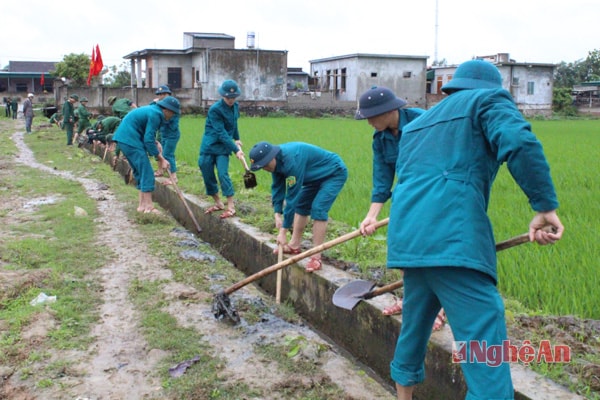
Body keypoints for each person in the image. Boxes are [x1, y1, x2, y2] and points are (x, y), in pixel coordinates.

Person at [374, 59, 565, 400]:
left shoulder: (417, 123)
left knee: (414, 330)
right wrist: (544, 207)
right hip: (453, 238)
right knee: (484, 347)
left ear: (451, 88)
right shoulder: (487, 100)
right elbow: (519, 142)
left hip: (409, 241)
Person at [354, 86, 447, 330]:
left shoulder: (425, 121)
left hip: (437, 195)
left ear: (388, 111)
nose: (369, 123)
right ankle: (411, 300)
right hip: (408, 199)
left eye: (372, 117)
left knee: (432, 251)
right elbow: (383, 180)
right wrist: (371, 216)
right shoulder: (381, 139)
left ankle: (438, 308)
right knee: (405, 249)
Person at [249, 141, 348, 272]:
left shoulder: (291, 162)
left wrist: (283, 231)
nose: (266, 169)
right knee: (301, 205)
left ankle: (316, 257)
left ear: (271, 157)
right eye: (262, 167)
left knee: (318, 208)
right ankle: (294, 245)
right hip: (314, 177)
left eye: (266, 165)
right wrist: (277, 214)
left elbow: (291, 199)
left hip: (333, 173)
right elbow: (278, 189)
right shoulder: (275, 164)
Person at [111, 96, 180, 214]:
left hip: (125, 139)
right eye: (172, 113)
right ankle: (149, 207)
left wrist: (155, 142)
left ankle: (141, 206)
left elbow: (147, 134)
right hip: (130, 140)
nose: (172, 116)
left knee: (140, 172)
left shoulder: (152, 110)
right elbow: (148, 139)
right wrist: (161, 158)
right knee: (147, 172)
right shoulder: (156, 114)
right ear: (166, 110)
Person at [198, 79, 245, 219]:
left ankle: (231, 206)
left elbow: (234, 123)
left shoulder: (235, 106)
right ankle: (218, 203)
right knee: (207, 173)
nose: (231, 100)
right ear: (222, 96)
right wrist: (236, 150)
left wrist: (237, 138)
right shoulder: (215, 110)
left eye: (233, 97)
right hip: (210, 145)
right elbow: (221, 133)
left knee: (223, 173)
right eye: (228, 97)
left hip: (223, 148)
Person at [152, 85, 181, 185]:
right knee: (162, 152)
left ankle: (173, 177)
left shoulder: (173, 105)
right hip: (163, 133)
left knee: (168, 154)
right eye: (160, 94)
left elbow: (168, 120)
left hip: (172, 134)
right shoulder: (161, 106)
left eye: (164, 94)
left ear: (169, 94)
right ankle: (163, 171)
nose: (162, 96)